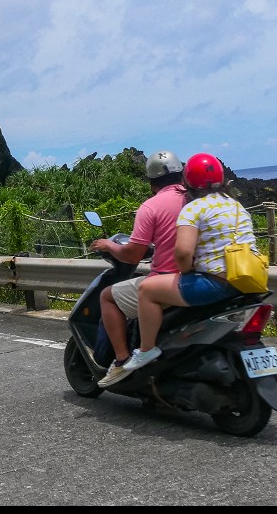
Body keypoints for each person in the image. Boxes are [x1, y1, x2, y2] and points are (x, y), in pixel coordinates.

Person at [120, 152, 254, 373]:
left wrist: (186, 270)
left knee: (146, 289)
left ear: (187, 181)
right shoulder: (236, 206)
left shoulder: (193, 208)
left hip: (216, 284)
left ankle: (146, 350)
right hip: (246, 279)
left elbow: (182, 253)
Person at [90, 150, 188, 388]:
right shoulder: (197, 199)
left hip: (167, 283)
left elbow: (133, 253)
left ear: (151, 181)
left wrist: (109, 246)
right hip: (197, 278)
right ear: (181, 174)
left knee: (107, 296)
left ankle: (122, 359)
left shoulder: (150, 206)